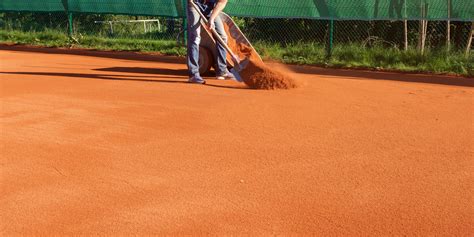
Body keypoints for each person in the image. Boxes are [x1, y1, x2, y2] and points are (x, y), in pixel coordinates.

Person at [187, 0, 235, 84]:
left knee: (222, 37)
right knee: (195, 37)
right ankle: (193, 74)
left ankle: (222, 71)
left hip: (210, 7)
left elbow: (221, 2)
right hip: (195, 3)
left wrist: (211, 19)